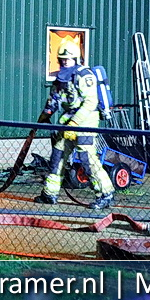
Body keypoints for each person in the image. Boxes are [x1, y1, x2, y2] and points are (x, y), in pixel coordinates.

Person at [33, 39, 115, 210]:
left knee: (87, 158)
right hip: (68, 121)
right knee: (58, 155)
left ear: (76, 59)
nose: (65, 62)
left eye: (68, 59)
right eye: (62, 59)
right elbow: (54, 98)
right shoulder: (61, 76)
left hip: (86, 122)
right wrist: (44, 116)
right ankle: (50, 193)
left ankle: (105, 194)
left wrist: (75, 123)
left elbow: (91, 102)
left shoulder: (85, 75)